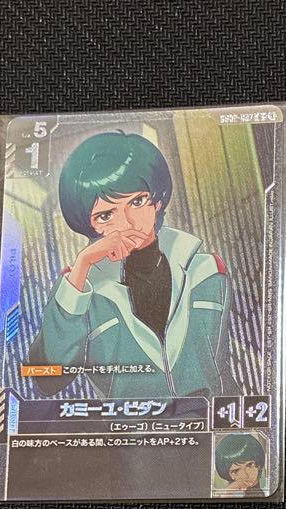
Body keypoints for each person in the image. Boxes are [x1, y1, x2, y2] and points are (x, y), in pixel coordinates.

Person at [27, 131, 231, 399]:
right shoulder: (79, 289)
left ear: (157, 201)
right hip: (127, 424)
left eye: (137, 201)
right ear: (90, 225)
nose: (127, 222)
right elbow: (47, 379)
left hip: (207, 421)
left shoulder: (207, 271)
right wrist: (82, 264)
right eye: (105, 215)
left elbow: (222, 371)